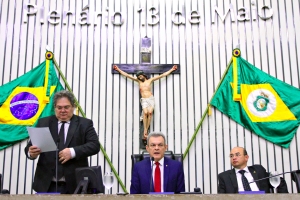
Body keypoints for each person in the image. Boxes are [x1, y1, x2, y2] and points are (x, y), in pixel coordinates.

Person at [24, 90, 100, 194]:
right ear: (54, 108)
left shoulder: (84, 124)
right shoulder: (43, 122)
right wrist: (31, 153)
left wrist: (73, 152)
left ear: (73, 107)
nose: (62, 110)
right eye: (59, 107)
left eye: (66, 107)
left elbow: (94, 145)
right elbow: (30, 147)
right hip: (46, 184)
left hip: (75, 185)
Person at [113, 65, 177, 139]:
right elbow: (127, 75)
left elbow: (162, 75)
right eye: (138, 77)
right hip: (144, 100)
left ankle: (147, 129)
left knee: (150, 113)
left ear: (143, 75)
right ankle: (145, 130)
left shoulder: (150, 80)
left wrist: (172, 69)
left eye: (140, 76)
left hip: (150, 98)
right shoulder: (138, 81)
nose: (140, 77)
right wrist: (118, 69)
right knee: (145, 113)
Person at [218, 146, 288, 193]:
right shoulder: (224, 177)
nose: (234, 158)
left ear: (246, 157)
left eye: (237, 155)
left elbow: (278, 180)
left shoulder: (258, 170)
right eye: (231, 156)